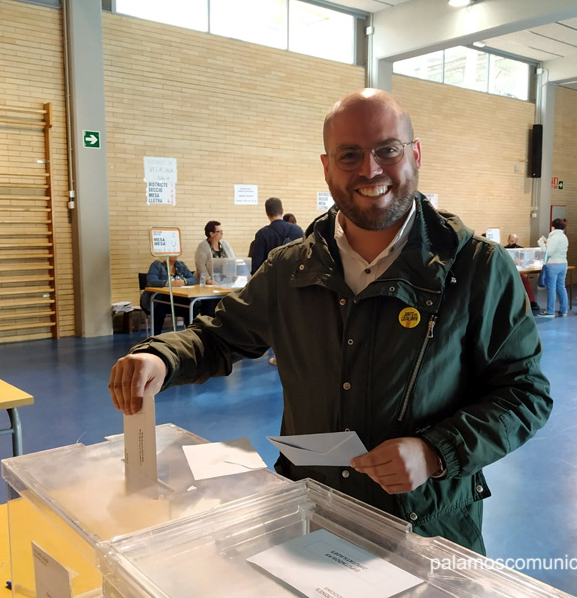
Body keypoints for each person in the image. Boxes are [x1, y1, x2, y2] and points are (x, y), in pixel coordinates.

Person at [109, 88, 553, 553]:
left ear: (415, 153)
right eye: (350, 155)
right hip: (310, 515)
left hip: (425, 529)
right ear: (326, 167)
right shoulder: (289, 269)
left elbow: (524, 393)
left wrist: (436, 452)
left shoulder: (476, 268)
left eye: (387, 149)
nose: (370, 169)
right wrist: (161, 356)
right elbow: (219, 337)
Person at [139, 256, 196, 335]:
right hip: (158, 299)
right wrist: (168, 283)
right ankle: (156, 337)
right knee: (159, 311)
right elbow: (151, 282)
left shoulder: (181, 265)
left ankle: (191, 335)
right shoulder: (157, 265)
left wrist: (184, 281)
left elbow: (193, 279)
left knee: (192, 306)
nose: (175, 255)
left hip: (175, 299)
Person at [248, 197, 303, 274]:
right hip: (296, 281)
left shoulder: (262, 234)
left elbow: (256, 267)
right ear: (282, 210)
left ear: (267, 213)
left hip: (272, 282)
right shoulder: (298, 230)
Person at [536, 219, 568, 318]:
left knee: (551, 288)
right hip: (563, 264)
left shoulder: (554, 237)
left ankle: (550, 311)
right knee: (561, 287)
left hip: (553, 264)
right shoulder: (564, 237)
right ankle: (564, 310)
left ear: (553, 227)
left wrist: (541, 243)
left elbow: (548, 252)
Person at [504, 233, 540, 312]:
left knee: (526, 282)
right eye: (511, 241)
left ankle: (532, 301)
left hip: (519, 272)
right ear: (508, 240)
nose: (513, 243)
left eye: (515, 241)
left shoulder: (521, 250)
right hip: (508, 272)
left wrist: (522, 262)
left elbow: (527, 261)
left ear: (517, 241)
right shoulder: (505, 249)